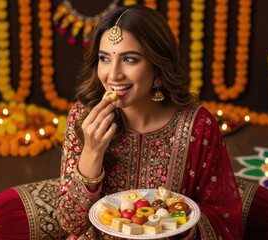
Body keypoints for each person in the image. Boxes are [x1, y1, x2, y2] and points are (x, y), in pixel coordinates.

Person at [56, 5, 243, 239]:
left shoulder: (198, 125)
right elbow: (70, 224)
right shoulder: (83, 119)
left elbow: (222, 215)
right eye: (104, 58)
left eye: (130, 59)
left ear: (157, 65)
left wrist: (178, 227)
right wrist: (93, 152)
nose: (113, 75)